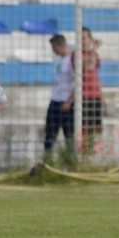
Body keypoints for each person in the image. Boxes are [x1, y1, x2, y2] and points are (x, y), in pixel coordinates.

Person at [73, 27, 105, 154]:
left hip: (95, 96)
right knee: (84, 128)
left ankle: (95, 153)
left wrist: (101, 95)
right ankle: (83, 154)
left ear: (90, 39)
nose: (83, 41)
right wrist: (93, 50)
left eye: (85, 38)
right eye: (80, 39)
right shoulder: (76, 55)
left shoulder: (95, 55)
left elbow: (95, 75)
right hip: (83, 97)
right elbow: (83, 67)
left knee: (97, 127)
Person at [44, 34, 75, 163]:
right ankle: (48, 162)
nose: (53, 50)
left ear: (61, 45)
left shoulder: (72, 60)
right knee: (50, 134)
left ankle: (71, 163)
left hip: (66, 102)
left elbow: (78, 83)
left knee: (68, 135)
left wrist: (69, 101)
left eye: (54, 47)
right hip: (55, 100)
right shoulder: (57, 60)